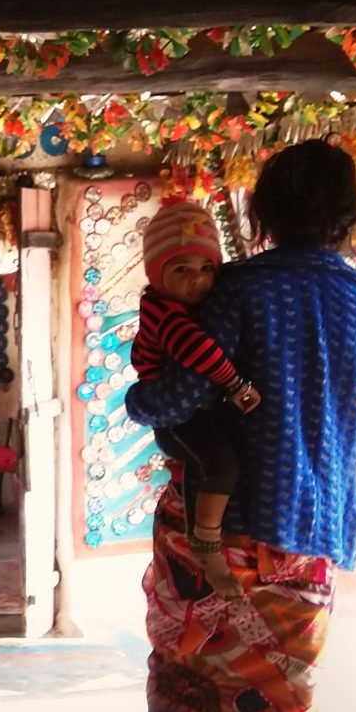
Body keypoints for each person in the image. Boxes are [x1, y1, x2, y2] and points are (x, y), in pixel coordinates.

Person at [123, 143, 356, 712]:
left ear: (262, 212)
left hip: (210, 541)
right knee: (282, 710)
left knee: (186, 691)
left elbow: (180, 391)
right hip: (307, 539)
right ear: (349, 211)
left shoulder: (233, 291)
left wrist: (138, 398)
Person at [130, 201, 260, 596]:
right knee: (222, 466)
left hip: (188, 416)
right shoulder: (168, 315)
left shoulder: (178, 305)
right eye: (181, 270)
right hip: (178, 420)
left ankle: (198, 533)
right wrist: (237, 385)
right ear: (157, 274)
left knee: (203, 470)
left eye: (207, 269)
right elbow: (201, 354)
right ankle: (206, 546)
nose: (198, 282)